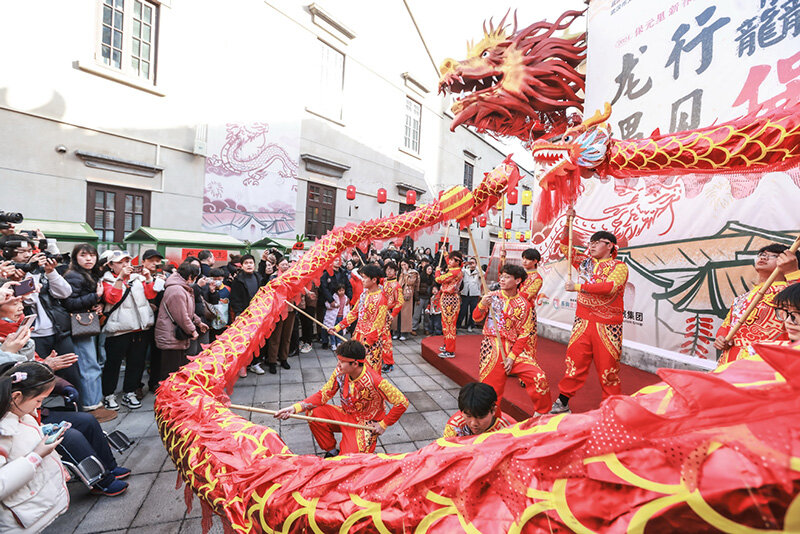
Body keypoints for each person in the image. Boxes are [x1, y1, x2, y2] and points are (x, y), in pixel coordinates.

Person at [274, 340, 408, 456]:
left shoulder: (375, 380)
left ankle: (353, 448)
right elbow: (323, 394)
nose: (338, 364)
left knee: (349, 461)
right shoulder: (341, 372)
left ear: (355, 364)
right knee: (313, 412)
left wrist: (383, 424)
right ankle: (331, 450)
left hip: (365, 423)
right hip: (346, 414)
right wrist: (294, 408)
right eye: (339, 360)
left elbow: (402, 402)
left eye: (342, 361)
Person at [551, 222, 628, 414]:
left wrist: (577, 287)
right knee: (574, 362)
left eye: (597, 242)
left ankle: (611, 409)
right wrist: (568, 223)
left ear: (610, 245)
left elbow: (609, 287)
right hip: (583, 322)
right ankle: (563, 401)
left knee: (608, 369)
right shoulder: (585, 263)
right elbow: (564, 247)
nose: (591, 246)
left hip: (608, 326)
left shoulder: (619, 267)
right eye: (590, 242)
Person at [473, 264, 551, 416]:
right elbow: (476, 318)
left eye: (507, 277)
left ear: (517, 280)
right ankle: (490, 423)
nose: (502, 279)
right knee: (491, 394)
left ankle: (542, 415)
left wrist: (511, 357)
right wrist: (483, 303)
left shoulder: (524, 305)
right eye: (501, 276)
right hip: (492, 346)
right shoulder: (492, 296)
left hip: (513, 350)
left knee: (538, 376)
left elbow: (524, 334)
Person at [0, 361, 69, 531]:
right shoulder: (4, 430)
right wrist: (35, 456)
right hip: (21, 520)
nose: (39, 405)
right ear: (16, 396)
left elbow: (21, 439)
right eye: (39, 400)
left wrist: (44, 431)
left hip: (36, 507)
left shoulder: (20, 413)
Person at [713, 245, 800, 366]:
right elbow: (727, 326)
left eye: (773, 256)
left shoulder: (789, 293)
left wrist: (793, 273)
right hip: (731, 361)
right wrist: (722, 338)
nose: (764, 257)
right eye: (762, 254)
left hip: (766, 362)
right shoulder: (741, 298)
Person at [61, 244, 116, 422]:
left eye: (92, 255)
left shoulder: (85, 274)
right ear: (75, 258)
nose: (89, 259)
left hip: (85, 324)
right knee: (87, 365)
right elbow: (68, 303)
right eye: (83, 255)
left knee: (91, 364)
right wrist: (95, 297)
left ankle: (94, 403)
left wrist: (95, 304)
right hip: (79, 327)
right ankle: (91, 406)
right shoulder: (73, 276)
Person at [100, 250, 156, 411]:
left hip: (140, 327)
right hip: (119, 329)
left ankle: (129, 392)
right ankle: (108, 394)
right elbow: (111, 298)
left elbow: (150, 294)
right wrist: (120, 278)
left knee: (136, 362)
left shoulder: (137, 278)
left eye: (127, 261)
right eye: (120, 262)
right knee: (113, 363)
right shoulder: (106, 280)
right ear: (110, 265)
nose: (126, 265)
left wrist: (148, 278)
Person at [330, 265, 389, 372]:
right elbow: (353, 313)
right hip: (358, 338)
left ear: (374, 280)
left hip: (371, 344)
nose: (362, 280)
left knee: (369, 373)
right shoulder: (364, 295)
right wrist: (337, 327)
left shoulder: (381, 299)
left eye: (365, 277)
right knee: (354, 372)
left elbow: (378, 326)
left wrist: (367, 345)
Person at [154, 262, 207, 382]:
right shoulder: (177, 290)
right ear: (189, 277)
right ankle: (167, 398)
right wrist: (193, 331)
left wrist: (198, 322)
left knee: (175, 370)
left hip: (174, 335)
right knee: (170, 372)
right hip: (170, 336)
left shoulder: (181, 288)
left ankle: (172, 396)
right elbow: (181, 316)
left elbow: (187, 310)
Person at [443, 382, 516, 438]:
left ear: (493, 410)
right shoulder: (454, 427)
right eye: (468, 416)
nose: (474, 423)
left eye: (481, 417)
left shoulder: (510, 429)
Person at [228, 254, 262, 375]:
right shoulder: (238, 280)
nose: (249, 265)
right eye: (246, 263)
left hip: (257, 314)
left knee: (256, 340)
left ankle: (255, 364)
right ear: (241, 265)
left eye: (251, 263)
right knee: (243, 340)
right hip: (244, 314)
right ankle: (242, 365)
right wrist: (238, 313)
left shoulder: (258, 277)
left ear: (254, 264)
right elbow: (235, 298)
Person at [519, 248, 546, 385]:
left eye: (527, 259)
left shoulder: (537, 278)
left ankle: (527, 374)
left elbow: (527, 295)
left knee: (528, 343)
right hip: (514, 312)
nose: (524, 261)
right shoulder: (520, 275)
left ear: (535, 261)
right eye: (523, 258)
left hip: (527, 313)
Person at [265, 258, 294, 374]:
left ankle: (284, 358)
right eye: (283, 264)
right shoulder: (273, 277)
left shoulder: (293, 276)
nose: (285, 266)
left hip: (290, 309)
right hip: (277, 311)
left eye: (287, 264)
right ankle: (272, 361)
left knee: (287, 336)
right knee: (275, 337)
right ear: (277, 266)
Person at [319, 256, 353, 349]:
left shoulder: (343, 273)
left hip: (341, 300)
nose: (338, 262)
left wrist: (349, 297)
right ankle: (325, 341)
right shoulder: (326, 273)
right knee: (327, 321)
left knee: (340, 320)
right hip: (329, 300)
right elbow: (324, 288)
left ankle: (338, 341)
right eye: (336, 260)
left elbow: (348, 286)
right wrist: (331, 300)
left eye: (339, 260)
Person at [435, 251, 464, 358]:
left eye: (452, 260)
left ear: (457, 262)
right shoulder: (454, 270)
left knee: (449, 324)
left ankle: (450, 350)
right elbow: (449, 263)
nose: (449, 261)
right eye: (450, 259)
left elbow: (438, 279)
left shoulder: (454, 272)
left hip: (450, 300)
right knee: (445, 323)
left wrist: (437, 271)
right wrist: (446, 254)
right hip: (447, 298)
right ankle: (447, 344)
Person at [382, 261, 404, 372]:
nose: (389, 271)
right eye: (387, 269)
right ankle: (381, 358)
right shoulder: (383, 281)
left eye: (391, 269)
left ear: (395, 271)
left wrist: (393, 314)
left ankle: (389, 363)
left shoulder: (397, 285)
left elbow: (400, 302)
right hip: (379, 313)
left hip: (387, 313)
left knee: (386, 339)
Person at [394, 260, 418, 339]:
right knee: (398, 314)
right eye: (401, 265)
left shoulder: (413, 273)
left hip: (407, 295)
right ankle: (397, 331)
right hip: (399, 294)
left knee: (405, 315)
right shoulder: (399, 273)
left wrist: (405, 273)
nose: (403, 266)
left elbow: (410, 282)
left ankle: (404, 333)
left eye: (405, 264)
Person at [323, 285, 349, 352]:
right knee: (333, 330)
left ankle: (339, 342)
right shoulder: (333, 297)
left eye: (343, 290)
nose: (341, 292)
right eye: (340, 290)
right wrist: (333, 306)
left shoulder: (346, 298)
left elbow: (347, 307)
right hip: (333, 317)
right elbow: (327, 304)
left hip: (342, 316)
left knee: (340, 330)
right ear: (337, 291)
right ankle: (333, 343)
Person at [458, 257, 482, 332]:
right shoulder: (465, 270)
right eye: (470, 262)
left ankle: (470, 325)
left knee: (472, 311)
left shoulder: (478, 271)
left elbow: (483, 274)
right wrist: (465, 265)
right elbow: (459, 273)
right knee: (463, 310)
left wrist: (476, 267)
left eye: (473, 262)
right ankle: (458, 325)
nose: (471, 264)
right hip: (465, 293)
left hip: (474, 294)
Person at [414, 264, 434, 335]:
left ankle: (426, 328)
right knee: (417, 314)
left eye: (431, 269)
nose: (430, 271)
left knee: (427, 315)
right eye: (428, 269)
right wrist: (417, 298)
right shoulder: (421, 277)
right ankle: (414, 328)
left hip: (428, 298)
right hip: (420, 297)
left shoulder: (432, 278)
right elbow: (416, 288)